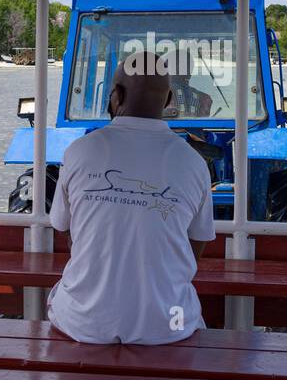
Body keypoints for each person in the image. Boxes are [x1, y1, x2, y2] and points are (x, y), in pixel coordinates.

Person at [48, 51, 215, 344]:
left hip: (82, 324)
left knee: (62, 299)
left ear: (116, 96)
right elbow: (195, 245)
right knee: (185, 318)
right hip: (169, 326)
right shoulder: (193, 163)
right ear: (167, 101)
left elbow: (65, 229)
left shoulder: (80, 152)